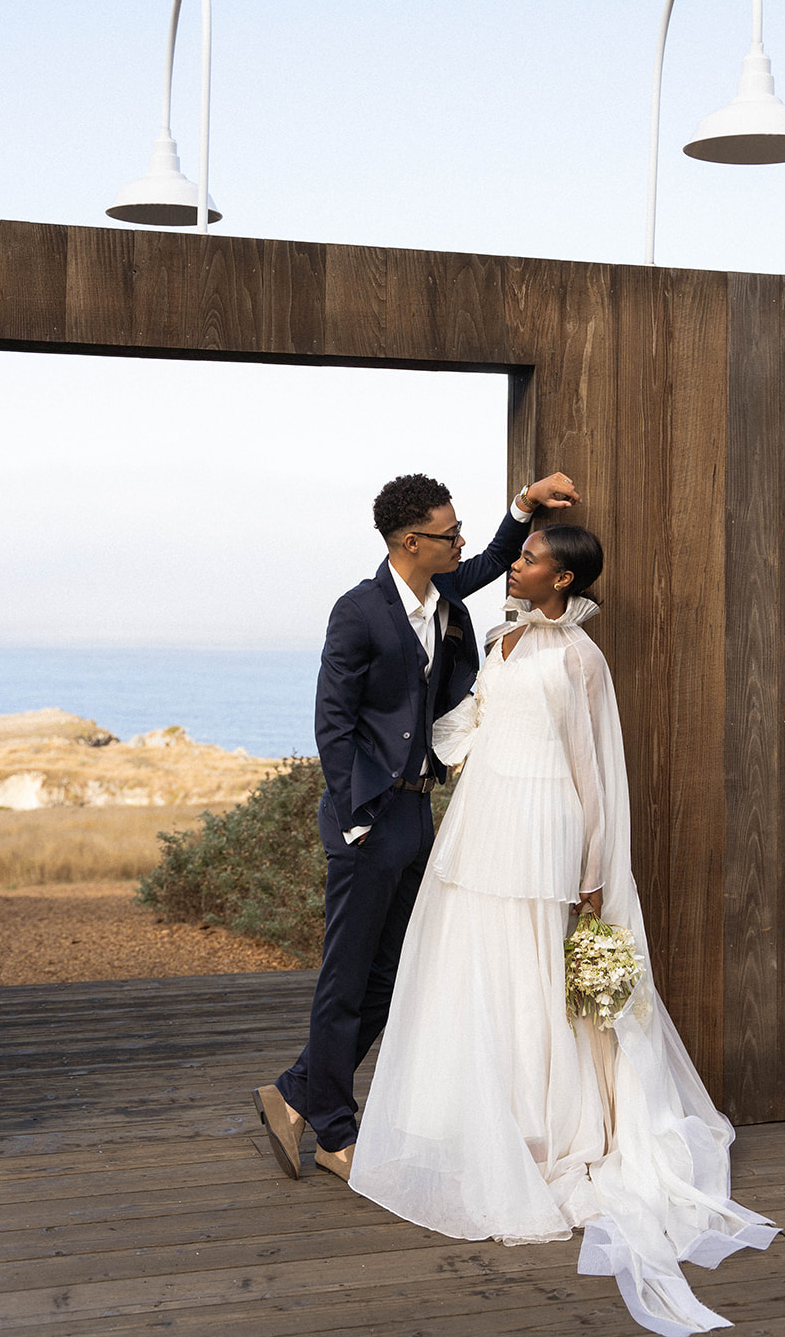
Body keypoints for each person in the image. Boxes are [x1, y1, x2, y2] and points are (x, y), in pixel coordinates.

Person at [348, 524, 777, 1336]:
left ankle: (543, 1128)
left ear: (563, 576)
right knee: (471, 964)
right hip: (482, 819)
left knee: (533, 975)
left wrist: (591, 872)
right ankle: (479, 1115)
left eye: (529, 556)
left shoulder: (579, 658)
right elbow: (468, 727)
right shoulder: (503, 634)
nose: (514, 563)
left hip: (544, 821)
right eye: (519, 553)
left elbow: (594, 770)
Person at [254, 470, 581, 1184]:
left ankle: (298, 1091)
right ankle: (335, 1128)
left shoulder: (443, 601)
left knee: (394, 972)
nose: (461, 543)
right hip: (369, 821)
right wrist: (353, 819)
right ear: (412, 540)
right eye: (449, 534)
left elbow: (492, 561)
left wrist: (524, 505)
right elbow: (332, 724)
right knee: (345, 977)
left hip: (418, 811)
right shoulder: (359, 611)